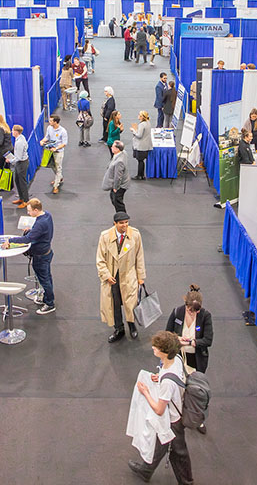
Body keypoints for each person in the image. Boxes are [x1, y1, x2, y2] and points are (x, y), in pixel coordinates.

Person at [127, 331, 193, 484]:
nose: (153, 349)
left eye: (156, 348)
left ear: (164, 352)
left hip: (172, 421)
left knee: (178, 452)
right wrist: (159, 376)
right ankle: (146, 470)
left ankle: (186, 482)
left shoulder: (167, 384)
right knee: (162, 445)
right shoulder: (175, 359)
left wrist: (146, 392)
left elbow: (159, 409)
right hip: (174, 416)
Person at [96, 211, 146, 343]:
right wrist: (106, 275)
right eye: (122, 223)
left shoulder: (135, 235)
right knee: (114, 304)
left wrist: (141, 276)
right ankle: (119, 329)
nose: (125, 225)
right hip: (112, 277)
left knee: (130, 303)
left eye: (126, 222)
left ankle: (132, 326)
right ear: (115, 223)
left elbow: (139, 256)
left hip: (129, 275)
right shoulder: (105, 236)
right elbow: (100, 259)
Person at [4, 198, 56, 315]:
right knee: (46, 277)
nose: (28, 213)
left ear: (36, 210)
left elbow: (27, 239)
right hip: (46, 252)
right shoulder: (47, 215)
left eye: (29, 211)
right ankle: (47, 298)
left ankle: (50, 303)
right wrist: (31, 230)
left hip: (40, 256)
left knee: (45, 279)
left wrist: (10, 240)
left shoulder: (41, 223)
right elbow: (37, 232)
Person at [165, 284, 214, 381]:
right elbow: (167, 334)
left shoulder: (205, 316)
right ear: (186, 305)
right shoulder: (177, 312)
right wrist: (177, 339)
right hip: (177, 356)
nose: (192, 314)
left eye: (195, 312)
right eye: (189, 311)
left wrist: (190, 343)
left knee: (194, 385)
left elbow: (208, 340)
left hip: (196, 359)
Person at [43, 115, 69, 194]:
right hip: (50, 151)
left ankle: (56, 186)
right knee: (52, 166)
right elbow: (47, 137)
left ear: (55, 122)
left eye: (51, 121)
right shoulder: (49, 128)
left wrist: (56, 148)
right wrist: (42, 141)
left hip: (58, 152)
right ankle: (60, 177)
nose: (49, 122)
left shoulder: (63, 131)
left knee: (58, 168)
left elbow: (64, 143)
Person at [103, 141, 129, 214]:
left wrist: (115, 187)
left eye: (113, 147)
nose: (111, 147)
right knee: (114, 199)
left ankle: (122, 218)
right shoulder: (123, 153)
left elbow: (118, 176)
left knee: (117, 201)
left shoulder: (119, 162)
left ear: (117, 149)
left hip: (120, 185)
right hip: (122, 183)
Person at [7, 124, 30, 208]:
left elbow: (19, 157)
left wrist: (10, 160)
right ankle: (21, 198)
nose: (11, 132)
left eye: (12, 130)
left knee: (22, 182)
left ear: (16, 132)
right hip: (19, 162)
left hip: (22, 163)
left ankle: (26, 201)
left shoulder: (20, 142)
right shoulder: (20, 138)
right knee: (17, 180)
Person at [130, 111, 152, 181]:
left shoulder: (142, 125)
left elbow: (139, 135)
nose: (138, 116)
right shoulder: (148, 123)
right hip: (146, 145)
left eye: (139, 115)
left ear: (142, 117)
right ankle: (141, 175)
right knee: (141, 161)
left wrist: (134, 131)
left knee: (140, 161)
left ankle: (140, 175)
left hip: (141, 146)